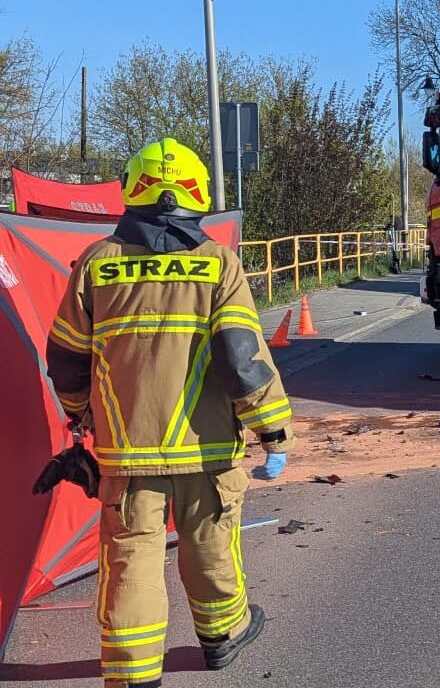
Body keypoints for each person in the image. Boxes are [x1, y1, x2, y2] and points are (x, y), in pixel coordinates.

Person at [45, 138, 294, 688]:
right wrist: (272, 428)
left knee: (131, 563)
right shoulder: (216, 264)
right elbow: (242, 357)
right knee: (210, 547)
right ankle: (222, 638)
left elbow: (65, 356)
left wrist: (79, 413)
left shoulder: (96, 264)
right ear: (197, 193)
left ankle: (134, 674)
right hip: (206, 451)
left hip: (127, 454)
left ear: (131, 192)